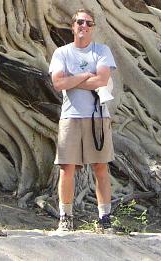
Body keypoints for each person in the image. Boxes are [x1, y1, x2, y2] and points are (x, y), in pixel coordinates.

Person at [49, 8, 116, 232]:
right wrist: (85, 76)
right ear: (72, 26)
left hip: (98, 116)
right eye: (79, 22)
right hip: (71, 116)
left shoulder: (102, 50)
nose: (83, 26)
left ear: (93, 28)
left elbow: (102, 79)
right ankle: (65, 219)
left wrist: (72, 79)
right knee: (66, 168)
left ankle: (104, 219)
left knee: (100, 167)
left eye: (88, 23)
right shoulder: (62, 53)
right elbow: (58, 84)